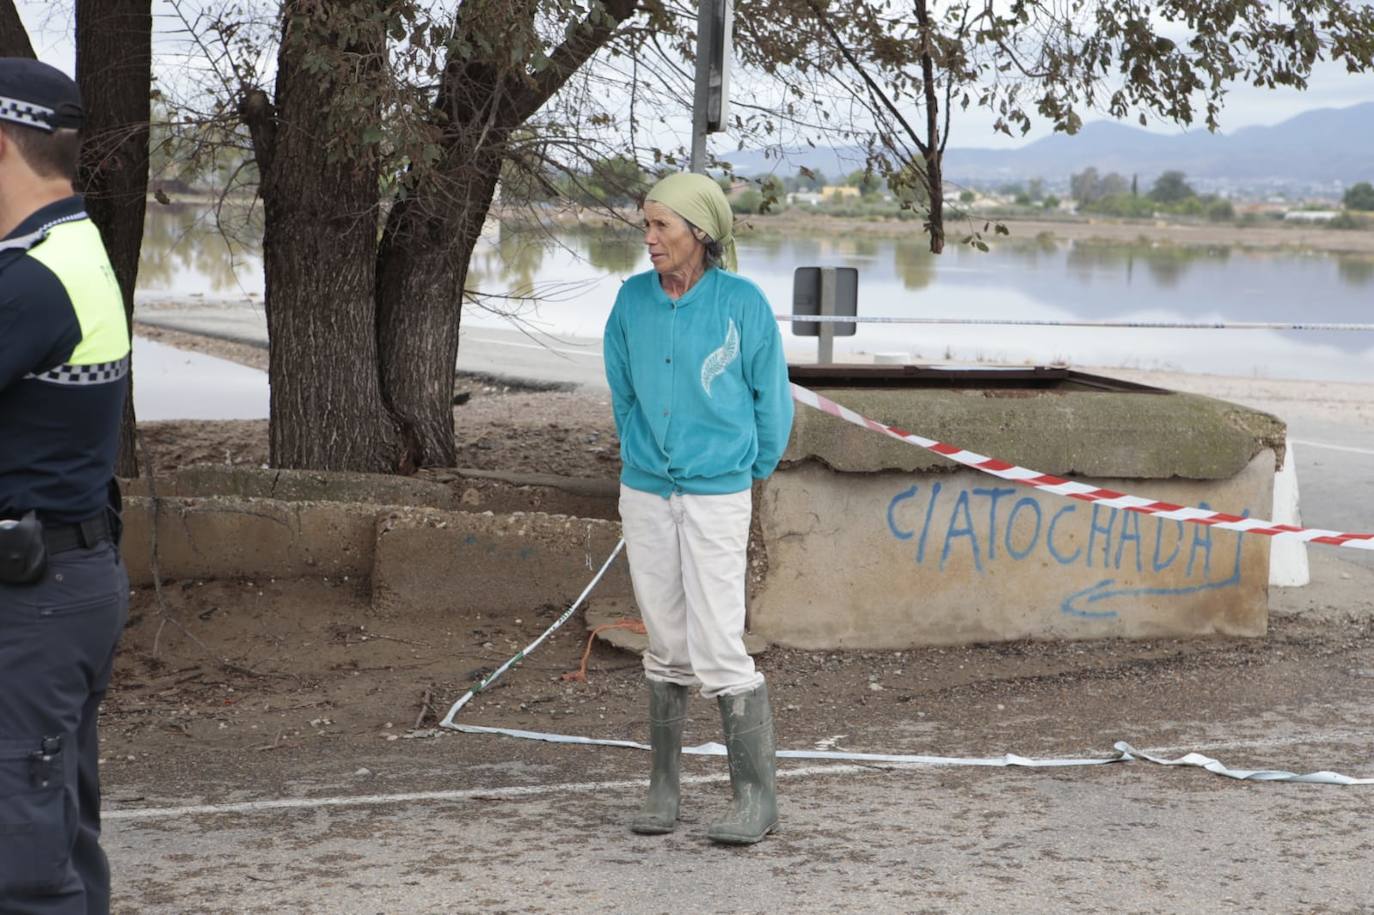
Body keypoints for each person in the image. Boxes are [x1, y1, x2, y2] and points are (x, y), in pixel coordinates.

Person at [603, 172, 794, 845]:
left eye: (662, 226)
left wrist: (740, 472)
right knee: (665, 640)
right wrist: (643, 459)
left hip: (717, 494)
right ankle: (663, 790)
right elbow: (622, 392)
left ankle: (756, 800)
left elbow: (774, 405)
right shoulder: (631, 302)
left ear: (700, 233)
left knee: (718, 642)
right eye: (646, 225)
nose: (649, 238)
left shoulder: (742, 304)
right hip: (646, 490)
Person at [0, 58, 131, 913]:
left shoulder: (31, 282)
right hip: (70, 578)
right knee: (61, 834)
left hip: (36, 600)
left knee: (23, 860)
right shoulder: (67, 248)